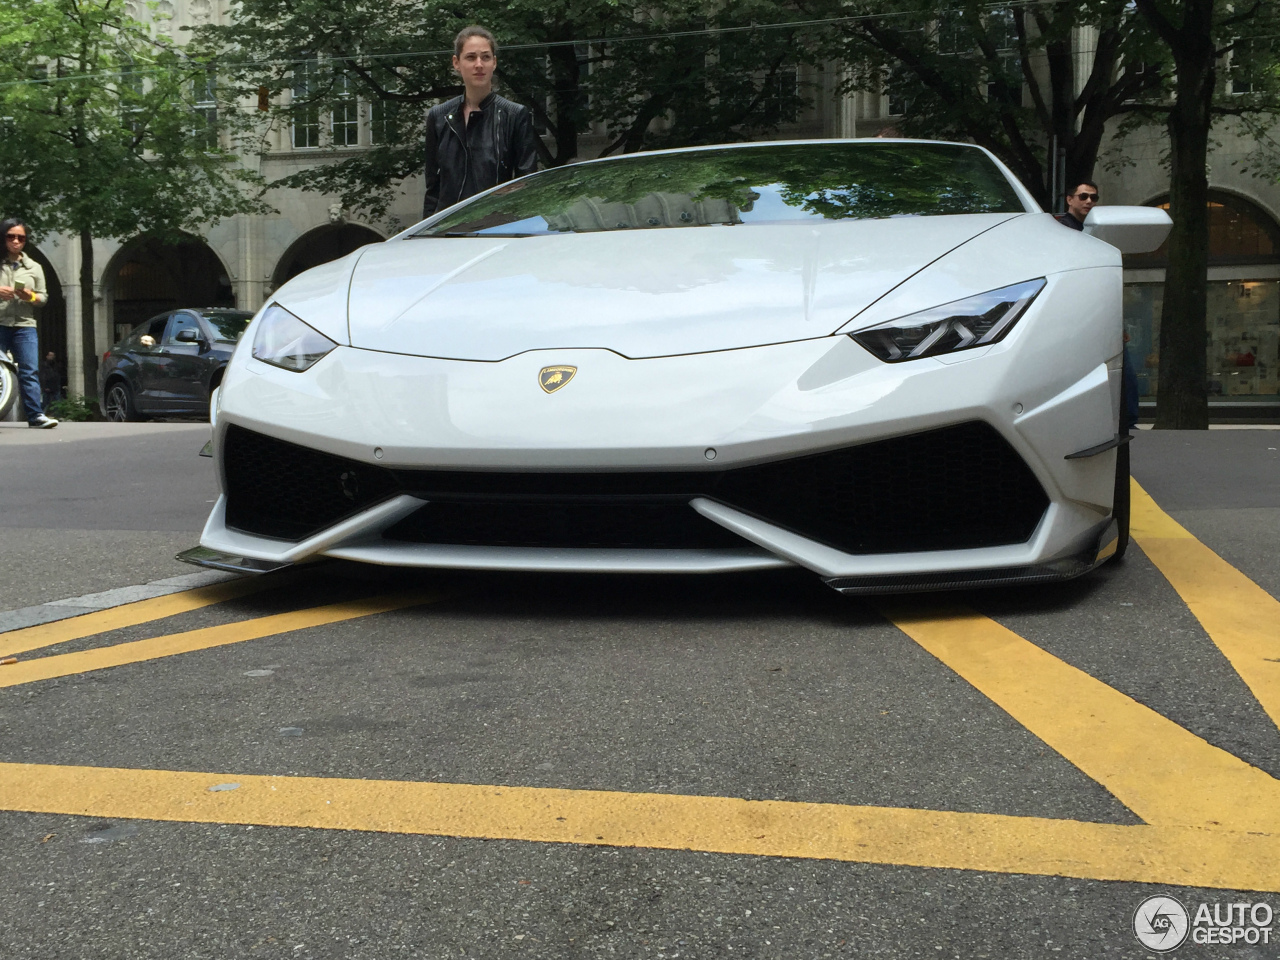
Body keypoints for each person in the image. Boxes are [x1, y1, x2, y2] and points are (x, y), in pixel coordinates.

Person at [422, 26, 539, 218]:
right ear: (456, 62)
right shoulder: (439, 116)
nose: (479, 64)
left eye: (485, 57)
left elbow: (526, 183)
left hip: (496, 228)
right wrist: (424, 236)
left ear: (494, 62)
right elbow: (433, 187)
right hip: (447, 231)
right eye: (470, 57)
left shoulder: (515, 115)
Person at [1054, 183, 1139, 429]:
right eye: (1083, 196)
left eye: (1093, 197)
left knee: (1123, 371)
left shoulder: (1093, 232)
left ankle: (1124, 421)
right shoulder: (1062, 231)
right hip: (1076, 314)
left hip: (1097, 312)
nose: (1089, 201)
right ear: (1069, 199)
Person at [0, 217, 57, 428]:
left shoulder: (34, 267)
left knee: (29, 370)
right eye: (11, 237)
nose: (16, 241)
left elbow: (43, 298)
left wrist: (29, 297)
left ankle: (35, 416)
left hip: (24, 326)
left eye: (21, 238)